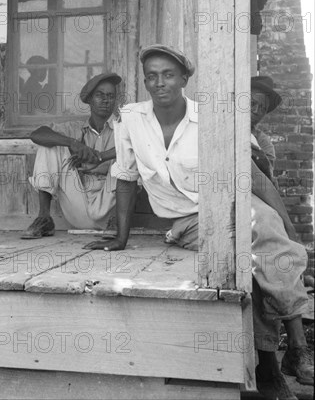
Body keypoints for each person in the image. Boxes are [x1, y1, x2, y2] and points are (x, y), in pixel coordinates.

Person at [85, 45, 313, 398]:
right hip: (187, 219)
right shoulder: (129, 117)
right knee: (250, 253)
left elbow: (254, 178)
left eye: (168, 75)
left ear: (184, 79)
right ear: (145, 81)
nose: (159, 83)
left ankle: (285, 355)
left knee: (263, 229)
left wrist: (291, 229)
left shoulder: (210, 115)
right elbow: (126, 177)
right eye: (152, 76)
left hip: (234, 202)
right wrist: (121, 237)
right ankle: (279, 358)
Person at [21, 72, 122, 239]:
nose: (106, 100)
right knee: (51, 145)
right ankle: (44, 218)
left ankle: (117, 221)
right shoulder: (74, 128)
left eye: (110, 96)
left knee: (129, 152)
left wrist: (100, 157)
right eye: (100, 95)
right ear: (89, 99)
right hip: (78, 206)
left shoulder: (123, 128)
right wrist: (73, 143)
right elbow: (37, 134)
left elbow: (143, 148)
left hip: (109, 208)